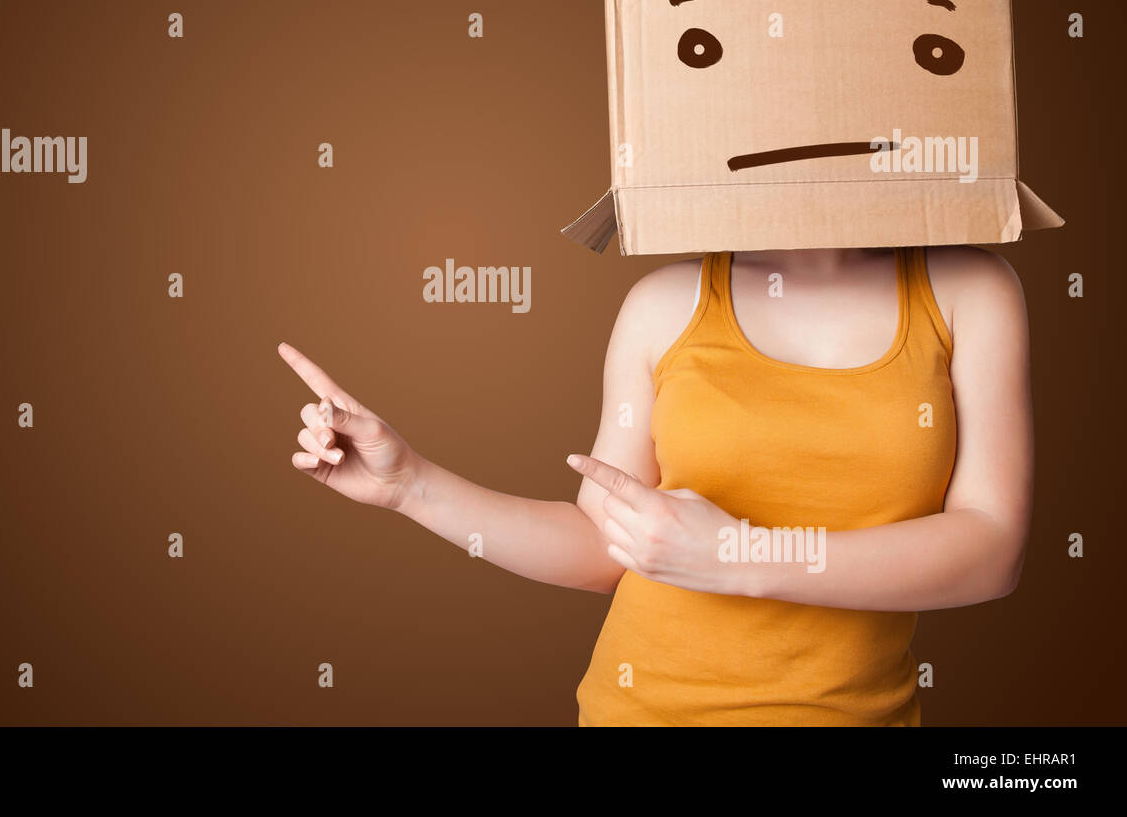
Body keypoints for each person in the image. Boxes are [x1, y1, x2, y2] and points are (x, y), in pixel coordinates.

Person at [278, 243, 1034, 725]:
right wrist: (410, 485)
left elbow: (992, 548)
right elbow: (607, 549)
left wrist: (741, 557)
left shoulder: (967, 287)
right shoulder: (665, 302)